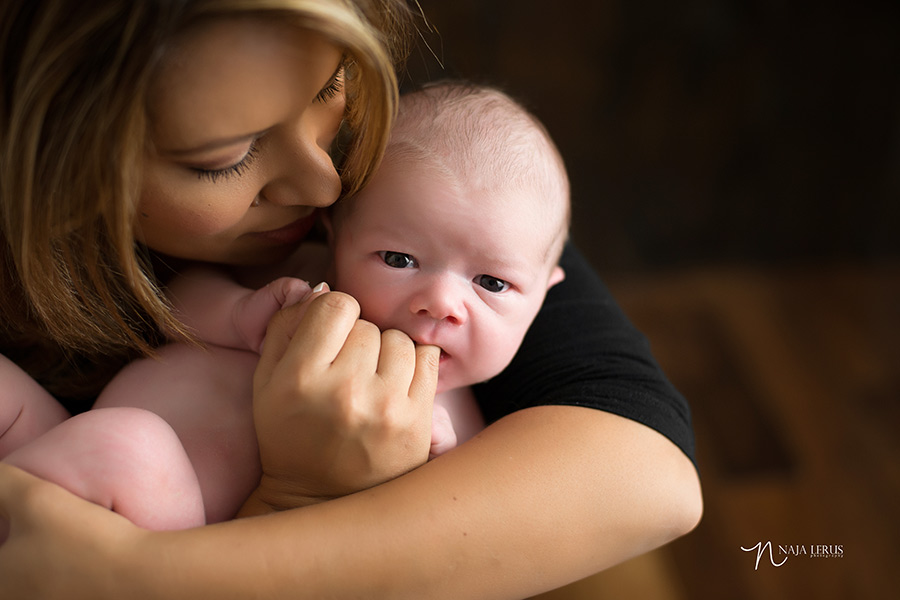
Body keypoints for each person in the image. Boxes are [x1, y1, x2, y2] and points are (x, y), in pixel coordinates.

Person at [0, 1, 703, 598]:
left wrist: (142, 572)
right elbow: (187, 305)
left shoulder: (437, 189)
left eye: (330, 88)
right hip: (67, 449)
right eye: (226, 158)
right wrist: (247, 316)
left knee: (129, 448)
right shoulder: (336, 263)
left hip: (156, 503)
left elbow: (652, 480)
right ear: (50, 156)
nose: (326, 185)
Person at [2, 81, 570, 526]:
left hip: (167, 526)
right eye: (398, 259)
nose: (441, 302)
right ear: (333, 237)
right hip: (69, 437)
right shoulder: (294, 281)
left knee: (127, 446)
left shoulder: (459, 421)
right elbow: (174, 304)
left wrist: (428, 459)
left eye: (492, 284)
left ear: (546, 294)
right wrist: (238, 315)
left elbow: (442, 536)